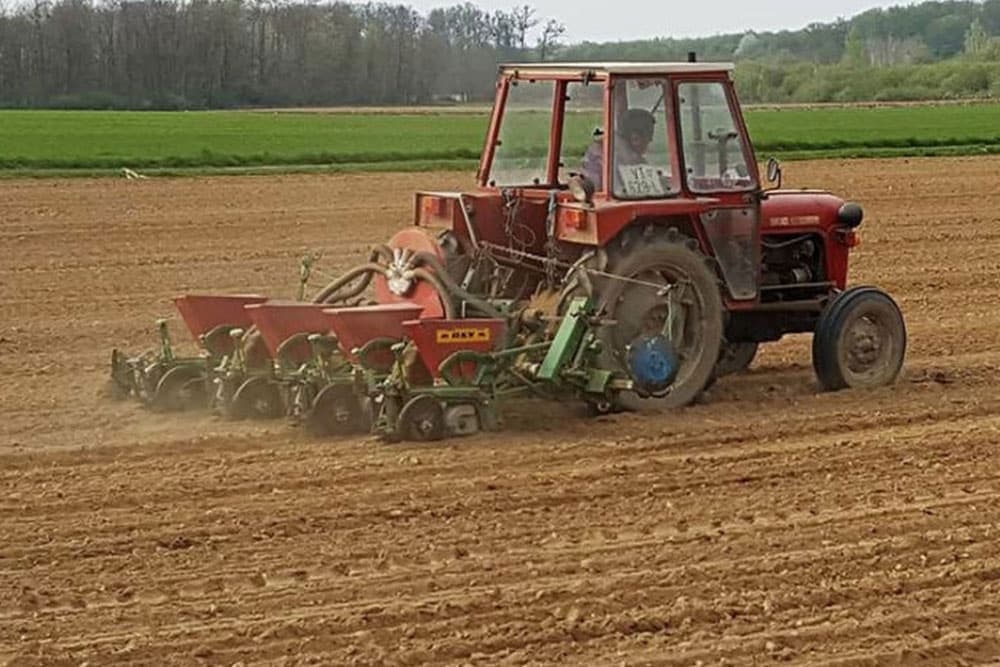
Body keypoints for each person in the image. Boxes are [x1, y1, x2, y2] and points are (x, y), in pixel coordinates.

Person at [581, 108, 656, 191]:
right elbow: (595, 190)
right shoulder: (602, 158)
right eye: (649, 137)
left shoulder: (633, 160)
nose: (650, 141)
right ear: (636, 139)